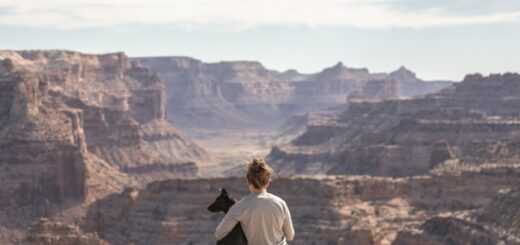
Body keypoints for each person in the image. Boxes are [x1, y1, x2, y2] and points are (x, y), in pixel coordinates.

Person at [215, 158, 295, 245]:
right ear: (268, 182)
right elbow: (290, 236)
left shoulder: (240, 206)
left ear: (248, 182)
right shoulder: (281, 203)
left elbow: (219, 234)